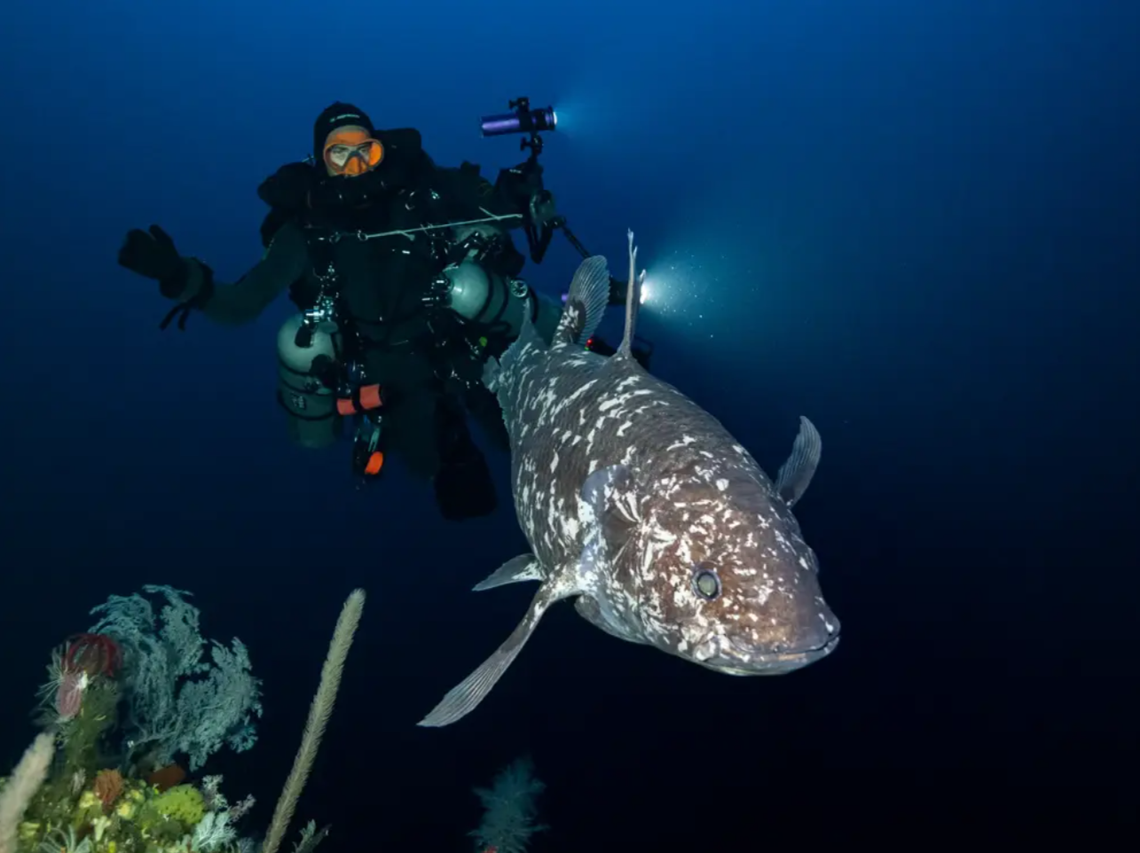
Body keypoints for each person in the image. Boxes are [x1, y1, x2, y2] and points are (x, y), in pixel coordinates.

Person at [117, 101, 591, 521]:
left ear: (382, 149)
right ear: (320, 165)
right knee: (441, 473)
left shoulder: (423, 191)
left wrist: (519, 195)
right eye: (338, 154)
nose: (356, 164)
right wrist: (180, 277)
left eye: (365, 149)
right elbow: (242, 304)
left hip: (464, 338)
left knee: (539, 438)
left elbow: (495, 212)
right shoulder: (306, 232)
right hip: (388, 373)